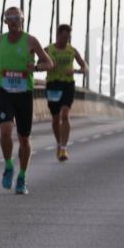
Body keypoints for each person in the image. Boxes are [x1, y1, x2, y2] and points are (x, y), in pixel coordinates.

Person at [0, 6, 54, 195]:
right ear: (5, 21)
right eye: (10, 18)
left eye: (17, 18)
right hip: (5, 91)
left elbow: (49, 63)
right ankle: (8, 165)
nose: (14, 21)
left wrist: (36, 68)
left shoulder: (30, 41)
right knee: (5, 131)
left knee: (24, 138)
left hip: (24, 93)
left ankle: (22, 177)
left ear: (22, 20)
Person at [45, 24, 88, 161]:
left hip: (68, 84)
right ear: (58, 36)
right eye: (64, 37)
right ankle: (59, 143)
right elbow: (39, 62)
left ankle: (64, 148)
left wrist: (76, 71)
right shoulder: (49, 50)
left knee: (65, 114)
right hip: (53, 84)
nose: (66, 40)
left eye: (68, 38)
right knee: (55, 118)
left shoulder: (72, 51)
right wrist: (47, 65)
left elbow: (85, 67)